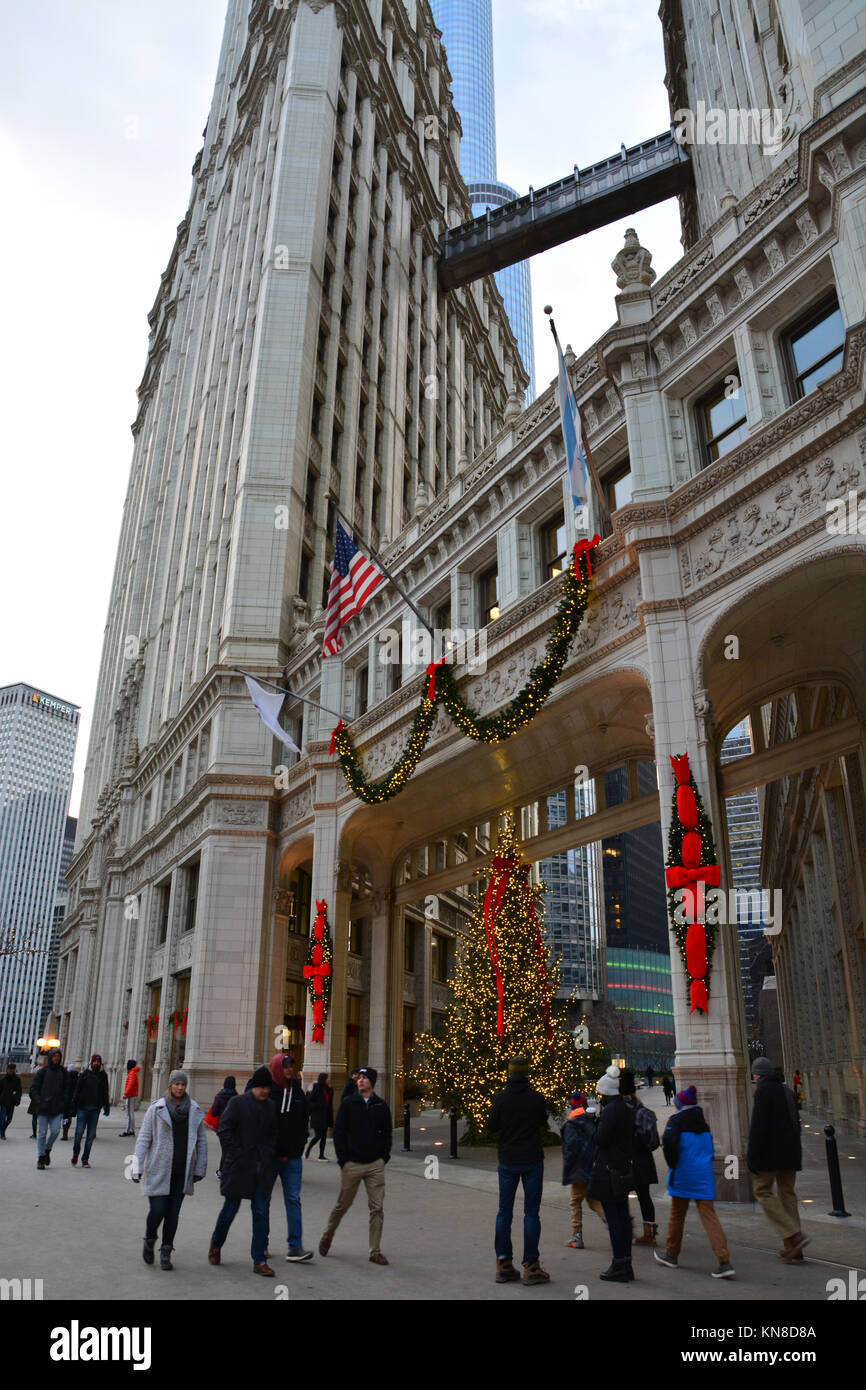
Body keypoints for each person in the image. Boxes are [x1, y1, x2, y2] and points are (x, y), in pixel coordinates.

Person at [655, 1084, 734, 1278]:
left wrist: (673, 1165)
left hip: (683, 1174)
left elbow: (669, 1145)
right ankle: (724, 1261)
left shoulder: (676, 1120)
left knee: (677, 1215)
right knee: (710, 1216)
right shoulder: (702, 1122)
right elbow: (710, 1150)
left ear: (680, 1104)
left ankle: (671, 1254)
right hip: (703, 1175)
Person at [132, 1069, 208, 1270]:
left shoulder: (194, 1109)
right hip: (159, 1167)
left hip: (182, 1170)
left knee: (173, 1214)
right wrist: (136, 1165)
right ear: (170, 1086)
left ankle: (166, 1251)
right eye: (177, 1084)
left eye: (183, 1085)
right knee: (158, 1210)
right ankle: (150, 1239)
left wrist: (200, 1167)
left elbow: (201, 1141)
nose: (180, 1088)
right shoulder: (156, 1108)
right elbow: (144, 1138)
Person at [319, 1065, 392, 1265]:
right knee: (343, 1204)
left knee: (377, 1207)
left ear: (372, 1082)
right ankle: (328, 1235)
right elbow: (339, 1132)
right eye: (358, 1077)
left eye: (364, 1078)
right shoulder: (348, 1103)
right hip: (352, 1164)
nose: (360, 1080)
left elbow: (386, 1133)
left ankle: (374, 1251)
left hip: (375, 1164)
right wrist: (344, 1160)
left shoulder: (381, 1106)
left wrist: (383, 1157)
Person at [209, 1065, 277, 1275]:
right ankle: (216, 1244)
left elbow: (274, 1134)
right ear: (253, 1086)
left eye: (268, 1088)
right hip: (239, 1167)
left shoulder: (271, 1106)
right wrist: (237, 1152)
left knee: (261, 1212)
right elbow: (224, 1128)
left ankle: (259, 1260)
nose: (265, 1091)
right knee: (230, 1210)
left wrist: (268, 1153)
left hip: (262, 1168)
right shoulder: (237, 1103)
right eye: (261, 1087)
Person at [487, 1057, 550, 1285]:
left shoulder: (501, 1098)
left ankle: (503, 1262)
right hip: (532, 1158)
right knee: (531, 1213)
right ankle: (531, 1266)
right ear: (527, 1073)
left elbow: (492, 1126)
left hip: (508, 1159)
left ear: (510, 1072)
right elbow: (543, 1122)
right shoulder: (536, 1098)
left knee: (504, 1212)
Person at [747, 1057, 808, 1262]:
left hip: (771, 1154)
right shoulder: (786, 1090)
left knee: (762, 1191)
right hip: (790, 1152)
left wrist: (752, 1156)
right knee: (788, 1195)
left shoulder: (763, 1092)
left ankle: (792, 1234)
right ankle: (794, 1248)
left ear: (757, 1074)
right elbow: (796, 1123)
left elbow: (758, 1127)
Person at [587, 1065, 635, 1282]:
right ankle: (625, 1262)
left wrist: (592, 1125)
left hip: (608, 1170)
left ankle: (619, 1263)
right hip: (622, 1167)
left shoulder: (611, 1111)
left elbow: (600, 1139)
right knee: (622, 1216)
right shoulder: (626, 1107)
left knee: (614, 1218)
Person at [266, 1054, 313, 1262]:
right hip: (270, 1158)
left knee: (293, 1199)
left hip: (293, 1157)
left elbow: (304, 1121)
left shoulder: (298, 1092)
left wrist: (299, 1144)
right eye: (285, 1066)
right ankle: (262, 1243)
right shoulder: (268, 1092)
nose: (289, 1069)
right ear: (277, 1067)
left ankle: (295, 1246)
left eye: (291, 1066)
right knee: (263, 1200)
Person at [620, 1068, 660, 1246]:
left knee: (620, 1196)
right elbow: (654, 1143)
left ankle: (625, 1229)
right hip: (643, 1160)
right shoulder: (644, 1112)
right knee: (645, 1197)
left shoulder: (619, 1112)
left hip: (625, 1160)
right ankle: (649, 1232)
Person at [561, 1092, 605, 1249]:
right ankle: (616, 1225)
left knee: (575, 1202)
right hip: (592, 1167)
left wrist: (567, 1166)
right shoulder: (590, 1121)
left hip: (579, 1169)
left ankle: (577, 1235)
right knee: (593, 1200)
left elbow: (571, 1148)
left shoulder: (572, 1124)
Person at [30, 1048, 71, 1169]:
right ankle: (41, 1157)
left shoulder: (63, 1073)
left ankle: (47, 1149)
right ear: (51, 1057)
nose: (56, 1058)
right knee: (42, 1133)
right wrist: (39, 1101)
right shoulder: (43, 1071)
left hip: (57, 1108)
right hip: (43, 1108)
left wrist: (64, 1102)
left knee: (55, 1131)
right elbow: (34, 1088)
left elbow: (67, 1089)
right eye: (54, 1056)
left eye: (58, 1056)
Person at [70, 1054, 110, 1167]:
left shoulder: (103, 1076)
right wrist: (73, 1105)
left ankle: (85, 1159)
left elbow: (105, 1091)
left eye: (98, 1062)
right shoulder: (84, 1075)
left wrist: (106, 1106)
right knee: (78, 1133)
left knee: (90, 1136)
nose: (96, 1063)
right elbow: (77, 1090)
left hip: (95, 1109)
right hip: (82, 1108)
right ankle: (75, 1153)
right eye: (94, 1061)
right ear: (91, 1063)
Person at [305, 1072, 334, 1160]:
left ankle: (321, 1155)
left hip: (325, 1116)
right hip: (317, 1115)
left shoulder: (329, 1089)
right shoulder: (316, 1087)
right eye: (327, 1078)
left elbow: (329, 1104)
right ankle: (308, 1149)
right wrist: (318, 1105)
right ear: (323, 1079)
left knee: (324, 1136)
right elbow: (310, 1101)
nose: (329, 1080)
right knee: (318, 1136)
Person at [0, 1062, 22, 1138]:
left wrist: (18, 1100)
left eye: (12, 1070)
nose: (10, 1071)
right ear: (7, 1070)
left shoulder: (17, 1080)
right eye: (9, 1069)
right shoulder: (3, 1080)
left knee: (9, 1119)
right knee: (2, 1119)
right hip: (3, 1101)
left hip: (12, 1102)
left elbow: (19, 1091)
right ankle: (2, 1133)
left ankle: (2, 1130)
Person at [120, 1059, 140, 1137]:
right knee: (130, 1112)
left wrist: (126, 1094)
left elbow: (130, 1084)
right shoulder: (133, 1072)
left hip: (130, 1095)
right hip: (131, 1095)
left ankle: (129, 1130)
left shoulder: (132, 1073)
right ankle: (131, 1130)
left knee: (129, 1113)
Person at [61, 1067, 78, 1140]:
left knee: (65, 1117)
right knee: (69, 1117)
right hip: (73, 1101)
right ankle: (66, 1131)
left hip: (66, 1101)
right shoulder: (77, 1079)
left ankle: (65, 1133)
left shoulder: (66, 1078)